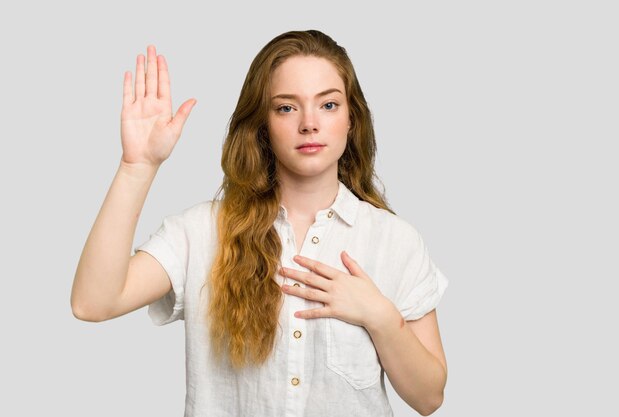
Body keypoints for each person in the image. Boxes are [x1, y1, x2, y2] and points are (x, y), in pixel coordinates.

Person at [71, 29, 449, 416]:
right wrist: (138, 167)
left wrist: (380, 316)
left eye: (329, 105)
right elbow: (92, 303)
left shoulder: (395, 241)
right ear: (262, 125)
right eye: (286, 107)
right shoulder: (202, 233)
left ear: (352, 118)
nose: (309, 123)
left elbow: (428, 398)